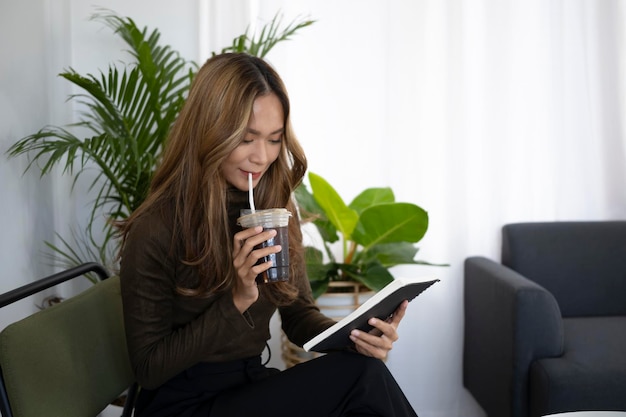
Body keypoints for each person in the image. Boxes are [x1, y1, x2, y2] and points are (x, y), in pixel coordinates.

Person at [117, 52, 419, 417]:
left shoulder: (273, 211)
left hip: (249, 387)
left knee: (364, 370)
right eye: (247, 138)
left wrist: (356, 337)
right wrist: (238, 299)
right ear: (209, 130)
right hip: (182, 404)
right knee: (363, 382)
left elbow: (299, 317)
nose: (262, 156)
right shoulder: (157, 227)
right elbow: (148, 369)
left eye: (274, 139)